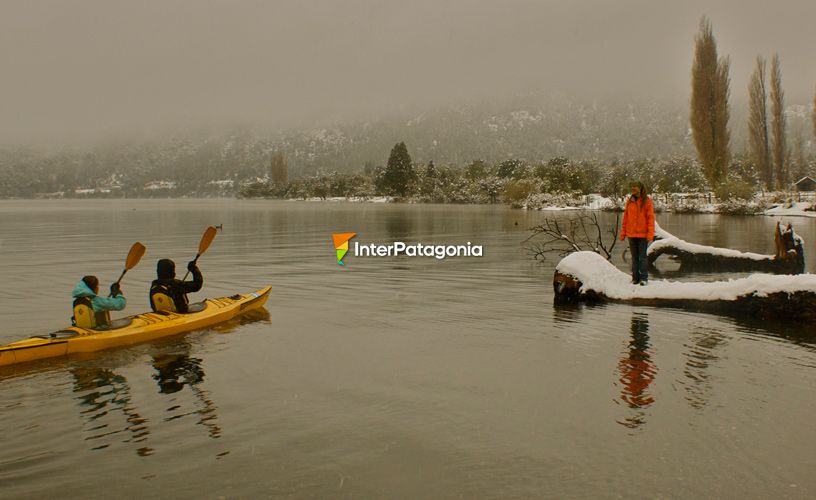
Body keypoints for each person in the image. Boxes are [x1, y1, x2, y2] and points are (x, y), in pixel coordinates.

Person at [620, 181, 655, 285]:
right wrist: (623, 233)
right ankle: (635, 278)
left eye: (635, 187)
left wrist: (650, 234)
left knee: (642, 257)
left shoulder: (647, 201)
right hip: (631, 234)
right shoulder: (629, 201)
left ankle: (644, 279)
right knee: (634, 258)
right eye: (631, 187)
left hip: (643, 235)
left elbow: (650, 218)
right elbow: (625, 218)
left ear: (640, 188)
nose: (633, 188)